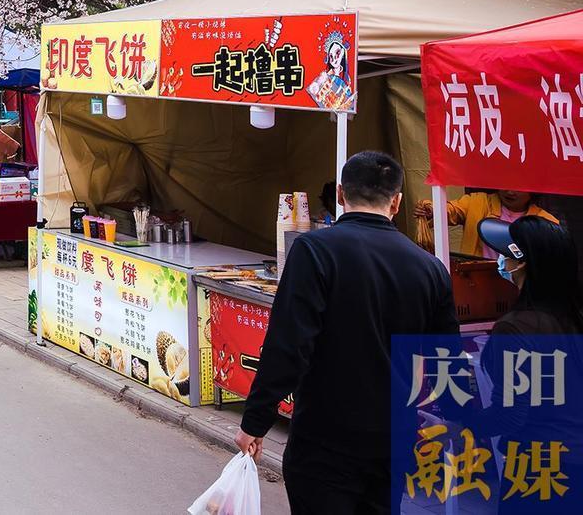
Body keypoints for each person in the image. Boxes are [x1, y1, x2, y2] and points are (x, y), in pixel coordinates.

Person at [237, 151, 460, 514]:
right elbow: (444, 361)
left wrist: (255, 421)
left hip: (325, 439)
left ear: (340, 194)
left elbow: (288, 344)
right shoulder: (430, 269)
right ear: (398, 201)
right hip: (393, 440)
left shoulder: (315, 250)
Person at [479, 215, 583, 334]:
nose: (501, 257)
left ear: (521, 262)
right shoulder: (575, 319)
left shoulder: (513, 327)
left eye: (505, 253)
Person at [414, 187, 557, 257]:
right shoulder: (478, 201)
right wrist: (431, 209)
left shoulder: (546, 222)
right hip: (478, 282)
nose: (509, 191)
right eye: (505, 182)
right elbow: (451, 210)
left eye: (518, 186)